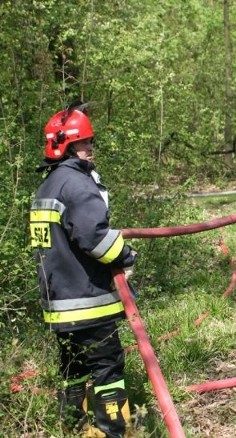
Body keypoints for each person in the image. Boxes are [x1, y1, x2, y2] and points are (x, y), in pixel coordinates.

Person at [30, 104, 137, 437]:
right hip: (90, 304)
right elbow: (94, 238)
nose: (89, 148)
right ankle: (114, 431)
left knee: (73, 368)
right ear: (65, 146)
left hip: (60, 307)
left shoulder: (46, 188)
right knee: (108, 370)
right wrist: (127, 255)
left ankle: (72, 427)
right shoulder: (77, 184)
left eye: (90, 141)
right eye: (83, 143)